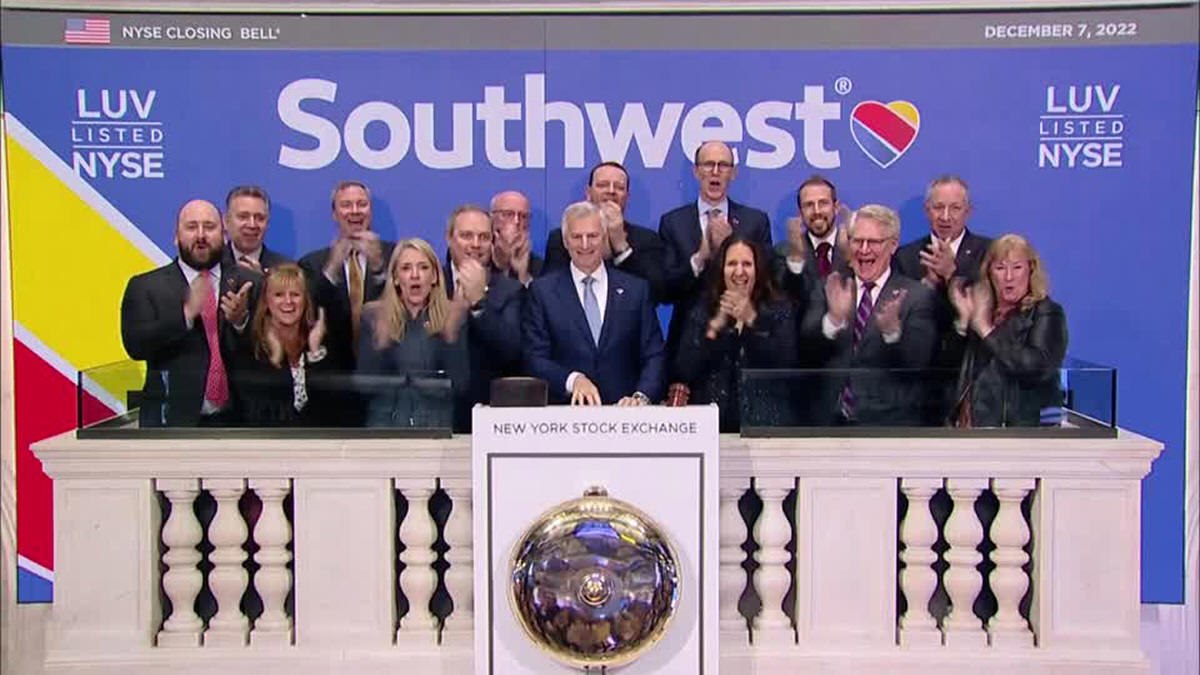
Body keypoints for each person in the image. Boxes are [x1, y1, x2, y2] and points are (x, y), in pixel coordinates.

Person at [120, 199, 257, 426]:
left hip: (239, 423)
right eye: (192, 227)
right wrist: (184, 315)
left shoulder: (251, 283)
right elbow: (135, 346)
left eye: (209, 227)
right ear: (176, 236)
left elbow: (269, 352)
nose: (201, 235)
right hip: (171, 422)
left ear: (224, 235)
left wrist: (241, 321)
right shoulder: (146, 286)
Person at [801, 204, 937, 425]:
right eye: (857, 241)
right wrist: (833, 321)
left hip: (887, 423)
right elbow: (806, 348)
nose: (864, 250)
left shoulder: (916, 296)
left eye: (873, 242)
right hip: (828, 422)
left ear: (893, 245)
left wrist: (892, 333)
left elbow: (918, 362)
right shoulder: (830, 286)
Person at [524, 201, 665, 405]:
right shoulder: (542, 292)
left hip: (626, 415)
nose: (585, 244)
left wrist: (641, 396)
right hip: (566, 415)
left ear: (604, 237)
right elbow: (535, 359)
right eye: (576, 237)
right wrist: (573, 380)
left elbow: (654, 354)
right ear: (565, 241)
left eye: (592, 236)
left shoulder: (636, 290)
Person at [659, 140, 772, 380]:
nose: (715, 171)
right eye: (708, 164)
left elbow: (767, 281)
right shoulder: (673, 222)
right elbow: (666, 289)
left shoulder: (755, 221)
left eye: (723, 165)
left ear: (733, 172)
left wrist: (732, 247)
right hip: (689, 345)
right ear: (696, 171)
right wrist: (700, 257)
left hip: (743, 343)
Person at [675, 235, 796, 432]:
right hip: (713, 428)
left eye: (747, 264)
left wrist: (752, 321)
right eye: (732, 264)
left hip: (766, 427)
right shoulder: (703, 308)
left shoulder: (778, 308)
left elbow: (786, 363)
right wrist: (714, 329)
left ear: (758, 269)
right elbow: (684, 370)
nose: (739, 272)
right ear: (721, 269)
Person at [946, 234, 1068, 427]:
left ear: (1031, 270)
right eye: (1000, 268)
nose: (1008, 277)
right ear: (989, 273)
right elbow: (959, 369)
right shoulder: (985, 310)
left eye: (1017, 267)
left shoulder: (1046, 312)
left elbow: (1037, 368)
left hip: (1021, 428)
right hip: (974, 425)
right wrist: (963, 322)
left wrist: (986, 330)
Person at [357, 238, 469, 427]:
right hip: (385, 426)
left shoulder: (452, 315)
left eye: (423, 267)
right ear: (395, 278)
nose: (415, 275)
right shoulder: (374, 315)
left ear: (434, 277)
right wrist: (381, 342)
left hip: (434, 427)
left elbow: (460, 384)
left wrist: (450, 338)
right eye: (406, 268)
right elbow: (365, 386)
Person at [442, 204, 523, 431]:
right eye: (466, 236)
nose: (476, 244)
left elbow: (512, 352)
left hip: (490, 416)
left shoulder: (510, 291)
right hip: (434, 411)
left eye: (484, 237)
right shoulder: (430, 283)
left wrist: (479, 303)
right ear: (449, 238)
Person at [298, 180, 395, 371]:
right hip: (331, 373)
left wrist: (378, 268)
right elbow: (308, 314)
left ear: (370, 211)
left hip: (385, 372)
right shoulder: (312, 264)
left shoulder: (395, 256)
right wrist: (331, 270)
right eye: (346, 205)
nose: (355, 211)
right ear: (334, 214)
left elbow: (401, 309)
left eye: (362, 204)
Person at [544, 161, 667, 301]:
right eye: (602, 185)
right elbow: (548, 292)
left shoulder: (647, 240)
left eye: (619, 187)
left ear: (627, 197)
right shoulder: (562, 237)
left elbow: (657, 294)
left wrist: (621, 247)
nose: (611, 191)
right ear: (588, 193)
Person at [230, 264, 332, 426]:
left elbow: (330, 405)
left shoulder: (319, 343)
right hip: (268, 439)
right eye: (279, 295)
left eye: (295, 294)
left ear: (305, 300)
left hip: (315, 439)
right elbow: (255, 411)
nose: (288, 301)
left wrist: (314, 352)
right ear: (266, 301)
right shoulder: (252, 348)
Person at [221, 185, 291, 273]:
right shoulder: (212, 263)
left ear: (267, 223)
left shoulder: (285, 269)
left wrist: (262, 279)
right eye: (243, 217)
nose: (252, 225)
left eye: (260, 218)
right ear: (226, 221)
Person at [489, 190, 544, 285]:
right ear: (491, 218)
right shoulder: (480, 255)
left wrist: (523, 275)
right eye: (508, 214)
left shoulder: (540, 267)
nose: (517, 221)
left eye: (524, 216)